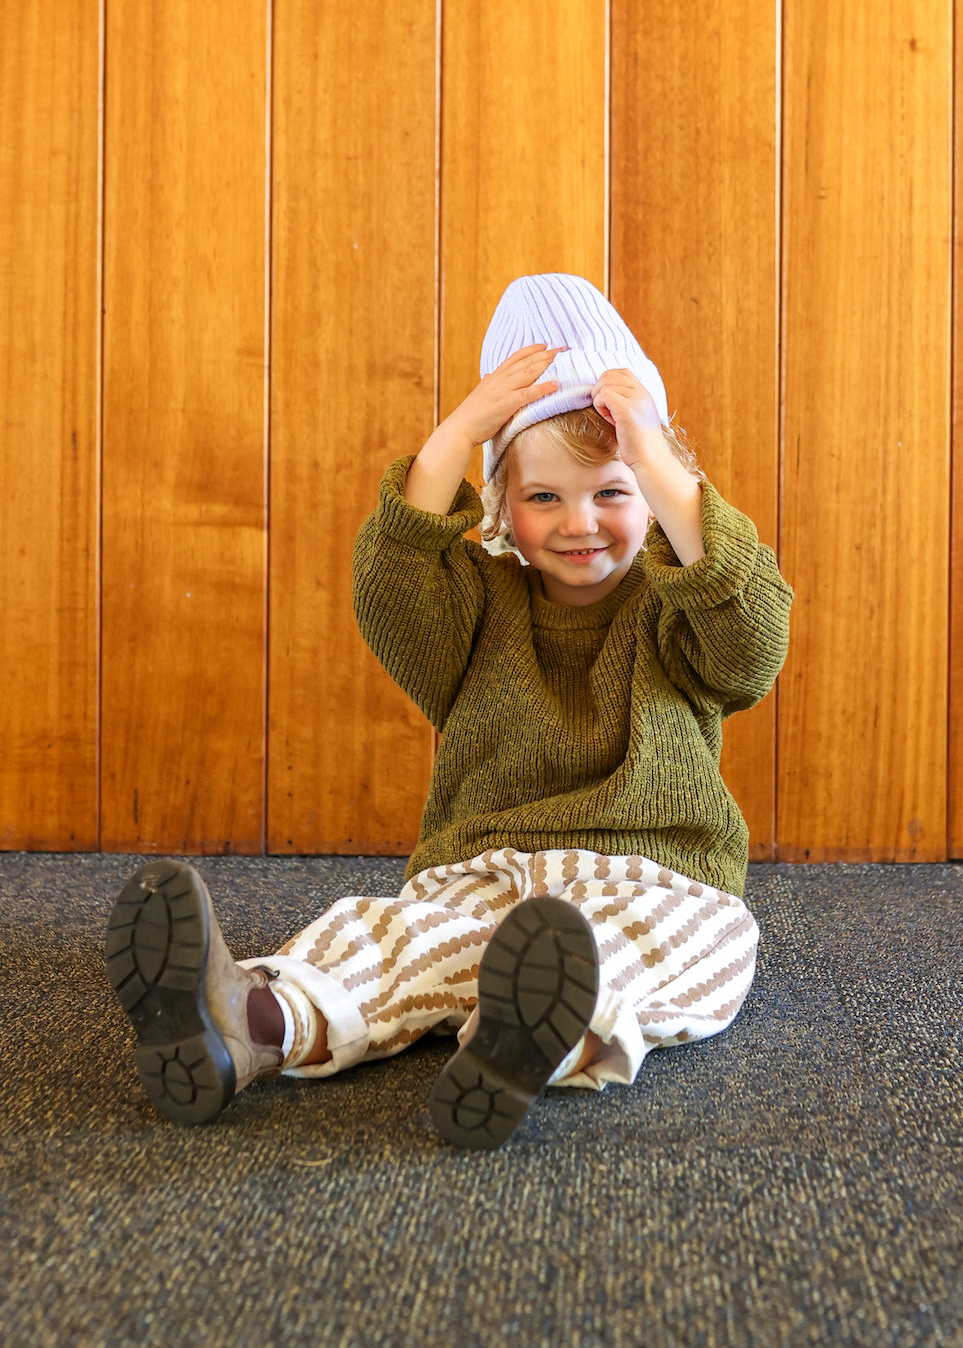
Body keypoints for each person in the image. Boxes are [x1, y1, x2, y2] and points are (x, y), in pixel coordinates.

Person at [105, 273, 792, 1150]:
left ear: (657, 496)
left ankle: (534, 1030)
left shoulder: (681, 604)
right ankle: (251, 1019)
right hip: (483, 869)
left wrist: (659, 460)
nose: (580, 522)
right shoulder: (471, 609)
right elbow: (392, 588)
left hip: (651, 874)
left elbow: (753, 640)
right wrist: (457, 435)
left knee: (709, 939)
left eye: (613, 492)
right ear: (502, 505)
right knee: (394, 936)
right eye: (544, 496)